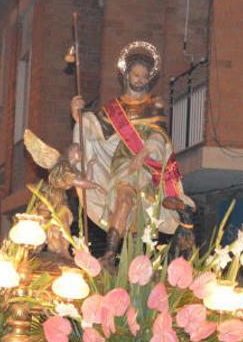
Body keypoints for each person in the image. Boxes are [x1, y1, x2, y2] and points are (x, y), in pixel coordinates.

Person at [71, 42, 194, 264]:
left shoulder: (154, 105)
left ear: (149, 79)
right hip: (123, 162)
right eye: (136, 74)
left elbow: (161, 136)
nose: (139, 79)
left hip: (146, 164)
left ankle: (132, 260)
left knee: (140, 210)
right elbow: (92, 129)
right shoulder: (113, 108)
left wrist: (145, 151)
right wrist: (78, 114)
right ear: (127, 75)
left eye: (144, 76)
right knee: (124, 199)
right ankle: (110, 253)